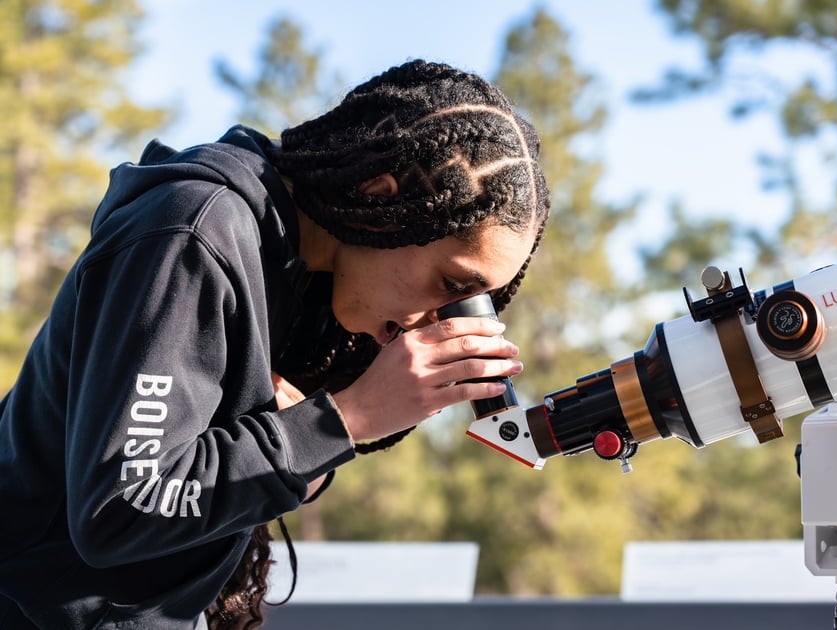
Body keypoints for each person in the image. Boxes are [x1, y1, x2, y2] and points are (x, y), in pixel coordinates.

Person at [0, 59, 551, 629]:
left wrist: (303, 439)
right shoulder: (193, 234)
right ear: (382, 201)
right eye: (454, 285)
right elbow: (125, 505)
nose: (444, 319)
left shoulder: (308, 273)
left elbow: (233, 473)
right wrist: (343, 421)